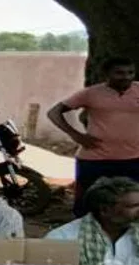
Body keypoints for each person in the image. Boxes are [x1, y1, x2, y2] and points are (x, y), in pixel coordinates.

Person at [47, 57, 139, 217]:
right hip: (95, 159)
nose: (126, 77)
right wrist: (76, 135)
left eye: (130, 72)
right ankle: (85, 231)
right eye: (119, 73)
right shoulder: (91, 93)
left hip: (133, 159)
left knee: (130, 205)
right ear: (106, 74)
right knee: (87, 205)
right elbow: (54, 112)